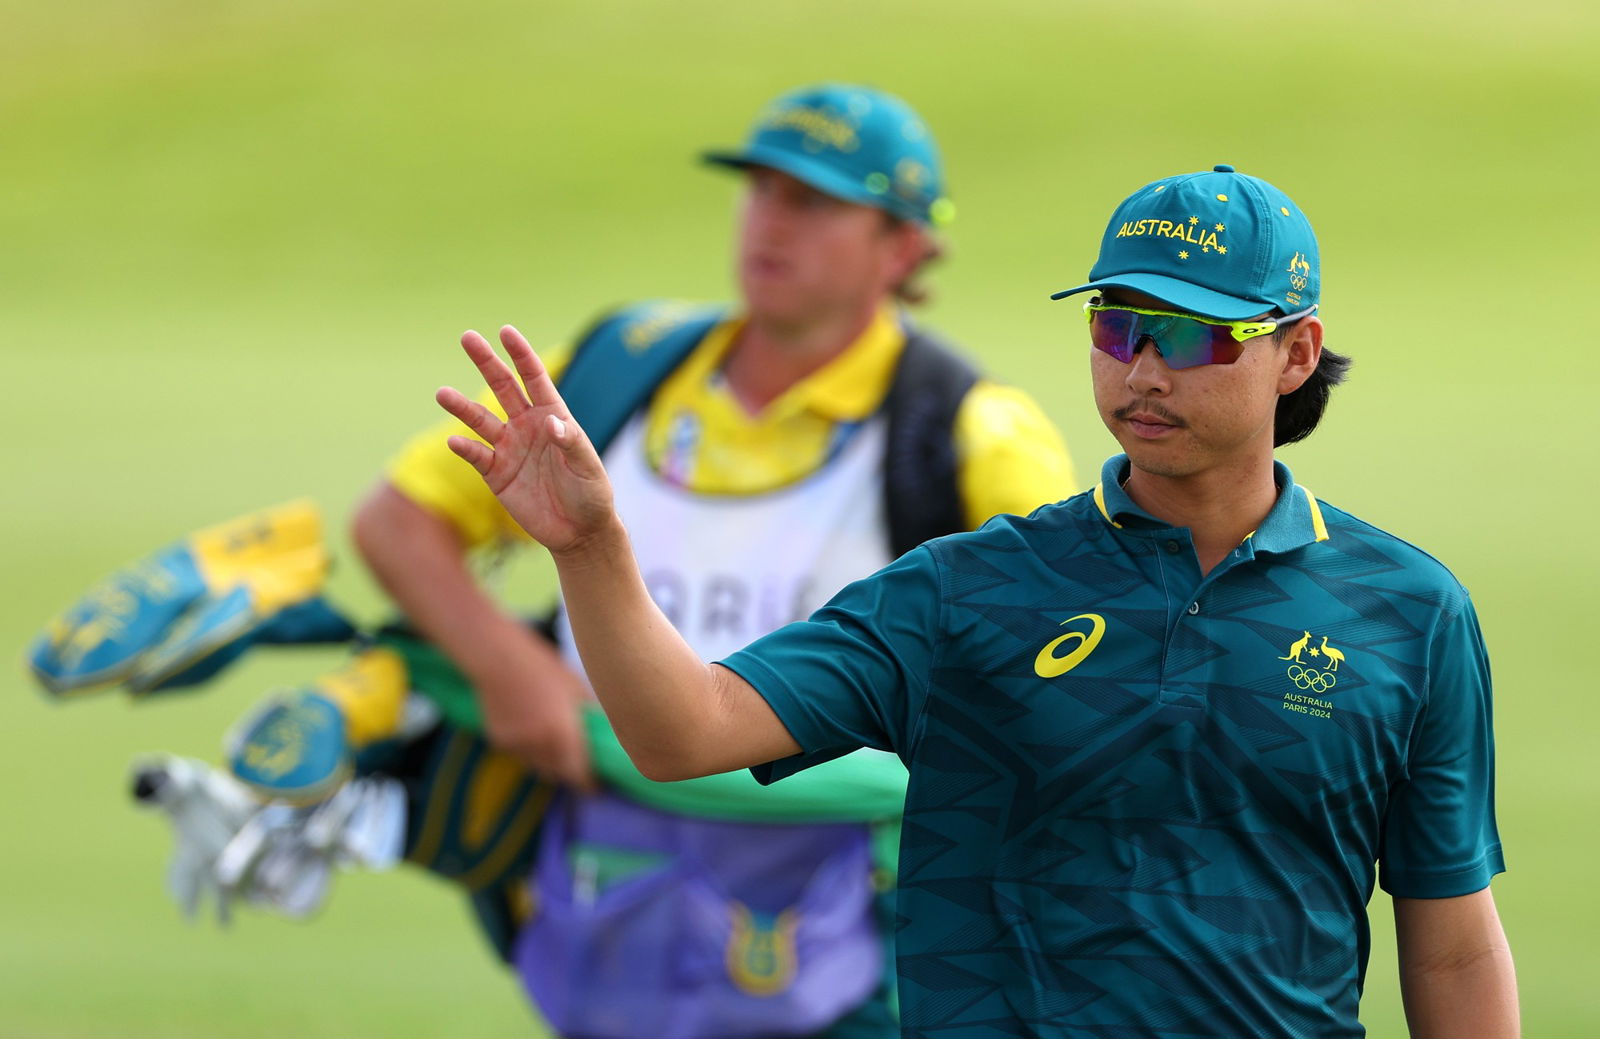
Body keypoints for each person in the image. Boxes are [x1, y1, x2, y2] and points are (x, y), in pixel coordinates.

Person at [438, 164, 1519, 1037]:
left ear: (1296, 352)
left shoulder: (1407, 612)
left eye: (1190, 336)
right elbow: (681, 731)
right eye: (1116, 328)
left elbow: (1453, 940)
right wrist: (591, 547)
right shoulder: (968, 589)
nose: (1142, 370)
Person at [354, 83, 1078, 1038]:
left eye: (815, 202)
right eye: (760, 189)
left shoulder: (973, 430)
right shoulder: (622, 365)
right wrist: (507, 665)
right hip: (605, 878)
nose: (770, 222)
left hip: (857, 910)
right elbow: (398, 524)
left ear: (900, 247)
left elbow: (1078, 664)